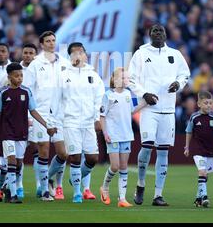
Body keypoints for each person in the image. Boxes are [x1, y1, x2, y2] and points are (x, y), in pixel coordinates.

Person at [128, 23, 190, 206]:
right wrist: (144, 94)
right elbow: (131, 79)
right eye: (154, 31)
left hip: (168, 110)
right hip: (149, 108)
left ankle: (158, 195)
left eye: (161, 30)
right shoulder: (141, 54)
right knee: (146, 147)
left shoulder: (175, 55)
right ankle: (140, 184)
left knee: (163, 152)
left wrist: (178, 85)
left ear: (165, 34)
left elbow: (184, 75)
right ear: (149, 34)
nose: (157, 33)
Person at [0, 62, 57, 203]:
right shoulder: (2, 93)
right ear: (9, 77)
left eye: (21, 75)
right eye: (16, 76)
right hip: (6, 132)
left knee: (19, 163)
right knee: (12, 160)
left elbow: (33, 111)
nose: (19, 78)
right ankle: (13, 195)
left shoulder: (26, 92)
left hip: (22, 132)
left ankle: (7, 187)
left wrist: (46, 125)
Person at [56, 42, 105, 203]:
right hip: (70, 121)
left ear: (85, 54)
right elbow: (56, 99)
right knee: (75, 157)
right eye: (74, 52)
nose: (78, 55)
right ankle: (77, 192)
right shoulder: (63, 74)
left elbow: (99, 97)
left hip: (88, 122)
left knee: (92, 158)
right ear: (69, 56)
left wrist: (97, 118)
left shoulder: (93, 74)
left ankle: (74, 180)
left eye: (81, 52)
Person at [25, 31, 69, 200]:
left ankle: (48, 179)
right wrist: (29, 116)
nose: (51, 43)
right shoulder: (35, 64)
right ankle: (44, 191)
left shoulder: (64, 63)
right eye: (48, 41)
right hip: (41, 114)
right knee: (43, 149)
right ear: (42, 45)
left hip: (59, 114)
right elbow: (28, 90)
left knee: (63, 153)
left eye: (53, 40)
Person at [99, 68, 138, 208]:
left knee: (123, 166)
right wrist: (105, 134)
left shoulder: (128, 93)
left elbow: (133, 110)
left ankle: (122, 199)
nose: (125, 80)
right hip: (113, 136)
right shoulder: (108, 95)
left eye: (126, 78)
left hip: (126, 135)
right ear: (114, 79)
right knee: (114, 166)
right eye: (122, 77)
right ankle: (105, 188)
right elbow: (102, 116)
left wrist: (145, 102)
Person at [184, 91, 213, 208]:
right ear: (199, 104)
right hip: (198, 151)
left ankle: (198, 198)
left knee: (205, 176)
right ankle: (205, 197)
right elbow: (188, 131)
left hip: (210, 151)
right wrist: (187, 147)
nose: (208, 105)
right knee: (202, 172)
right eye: (206, 103)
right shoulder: (194, 117)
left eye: (210, 103)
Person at [20, 43, 39, 197]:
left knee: (36, 149)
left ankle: (41, 183)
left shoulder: (40, 70)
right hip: (19, 117)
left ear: (35, 54)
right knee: (19, 152)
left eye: (30, 53)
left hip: (36, 115)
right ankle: (18, 185)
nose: (27, 55)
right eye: (25, 52)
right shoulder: (16, 70)